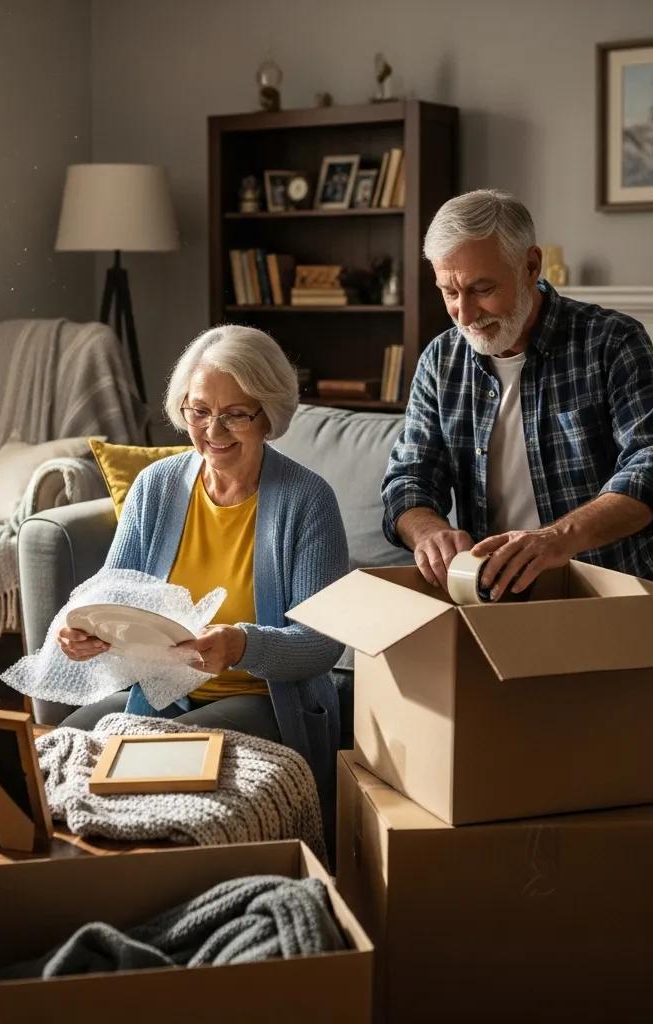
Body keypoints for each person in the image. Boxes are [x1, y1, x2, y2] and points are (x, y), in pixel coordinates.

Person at [59, 324, 348, 840]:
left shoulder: (309, 501)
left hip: (265, 699)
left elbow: (322, 645)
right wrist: (87, 627)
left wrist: (241, 645)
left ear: (269, 416)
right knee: (63, 747)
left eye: (235, 414)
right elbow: (112, 588)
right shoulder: (156, 485)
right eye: (199, 411)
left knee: (152, 762)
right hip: (165, 693)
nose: (212, 430)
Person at [382, 188, 653, 599]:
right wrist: (430, 533)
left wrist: (557, 538)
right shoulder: (440, 361)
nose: (465, 315)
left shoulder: (613, 343)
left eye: (482, 289)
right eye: (450, 293)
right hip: (492, 597)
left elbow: (648, 464)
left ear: (530, 265)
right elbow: (409, 478)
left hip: (609, 595)